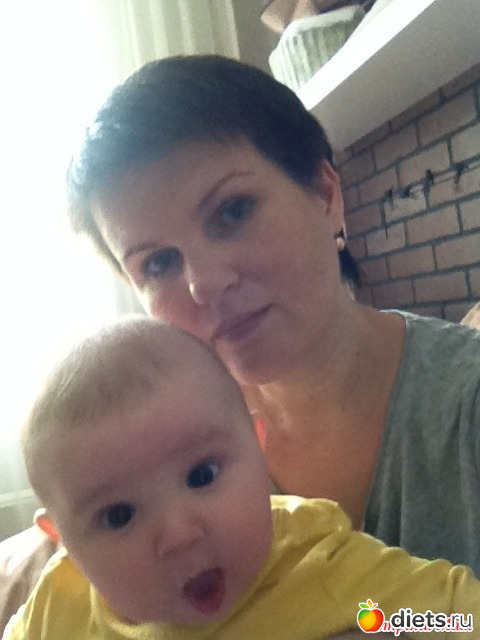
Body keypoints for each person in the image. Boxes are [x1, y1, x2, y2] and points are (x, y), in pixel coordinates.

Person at [66, 55, 480, 576]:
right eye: (158, 263)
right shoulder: (154, 456)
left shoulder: (464, 408)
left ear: (326, 197)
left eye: (233, 211)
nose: (203, 283)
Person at [6, 317, 480, 639]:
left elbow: (457, 615)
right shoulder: (56, 608)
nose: (180, 535)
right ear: (61, 538)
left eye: (202, 475)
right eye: (118, 515)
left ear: (258, 447)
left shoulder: (321, 569)